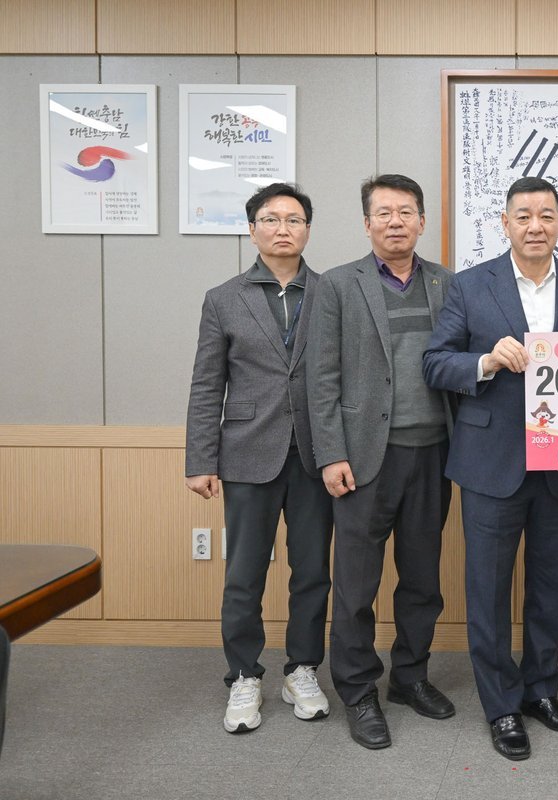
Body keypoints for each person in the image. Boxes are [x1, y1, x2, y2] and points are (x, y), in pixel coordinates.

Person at [423, 176, 558, 761]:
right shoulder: (469, 285)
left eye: (546, 216)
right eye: (523, 216)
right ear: (504, 224)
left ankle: (541, 690)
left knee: (552, 586)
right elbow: (435, 362)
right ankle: (501, 705)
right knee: (488, 590)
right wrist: (484, 360)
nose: (535, 226)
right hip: (490, 462)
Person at [306, 174, 457, 750]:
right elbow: (321, 377)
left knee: (422, 580)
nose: (396, 222)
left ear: (422, 221)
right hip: (364, 458)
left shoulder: (447, 282)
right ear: (367, 223)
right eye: (384, 213)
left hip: (434, 453)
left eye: (406, 212)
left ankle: (410, 677)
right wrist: (331, 454)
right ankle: (358, 690)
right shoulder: (338, 285)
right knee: (356, 586)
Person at [185, 182, 333, 734]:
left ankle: (302, 668)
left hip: (317, 454)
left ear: (307, 230)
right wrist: (200, 459)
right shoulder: (223, 298)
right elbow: (207, 384)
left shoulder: (333, 292)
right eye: (270, 219)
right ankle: (244, 674)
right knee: (244, 573)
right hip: (247, 451)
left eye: (293, 220)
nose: (282, 229)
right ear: (252, 230)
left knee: (313, 570)